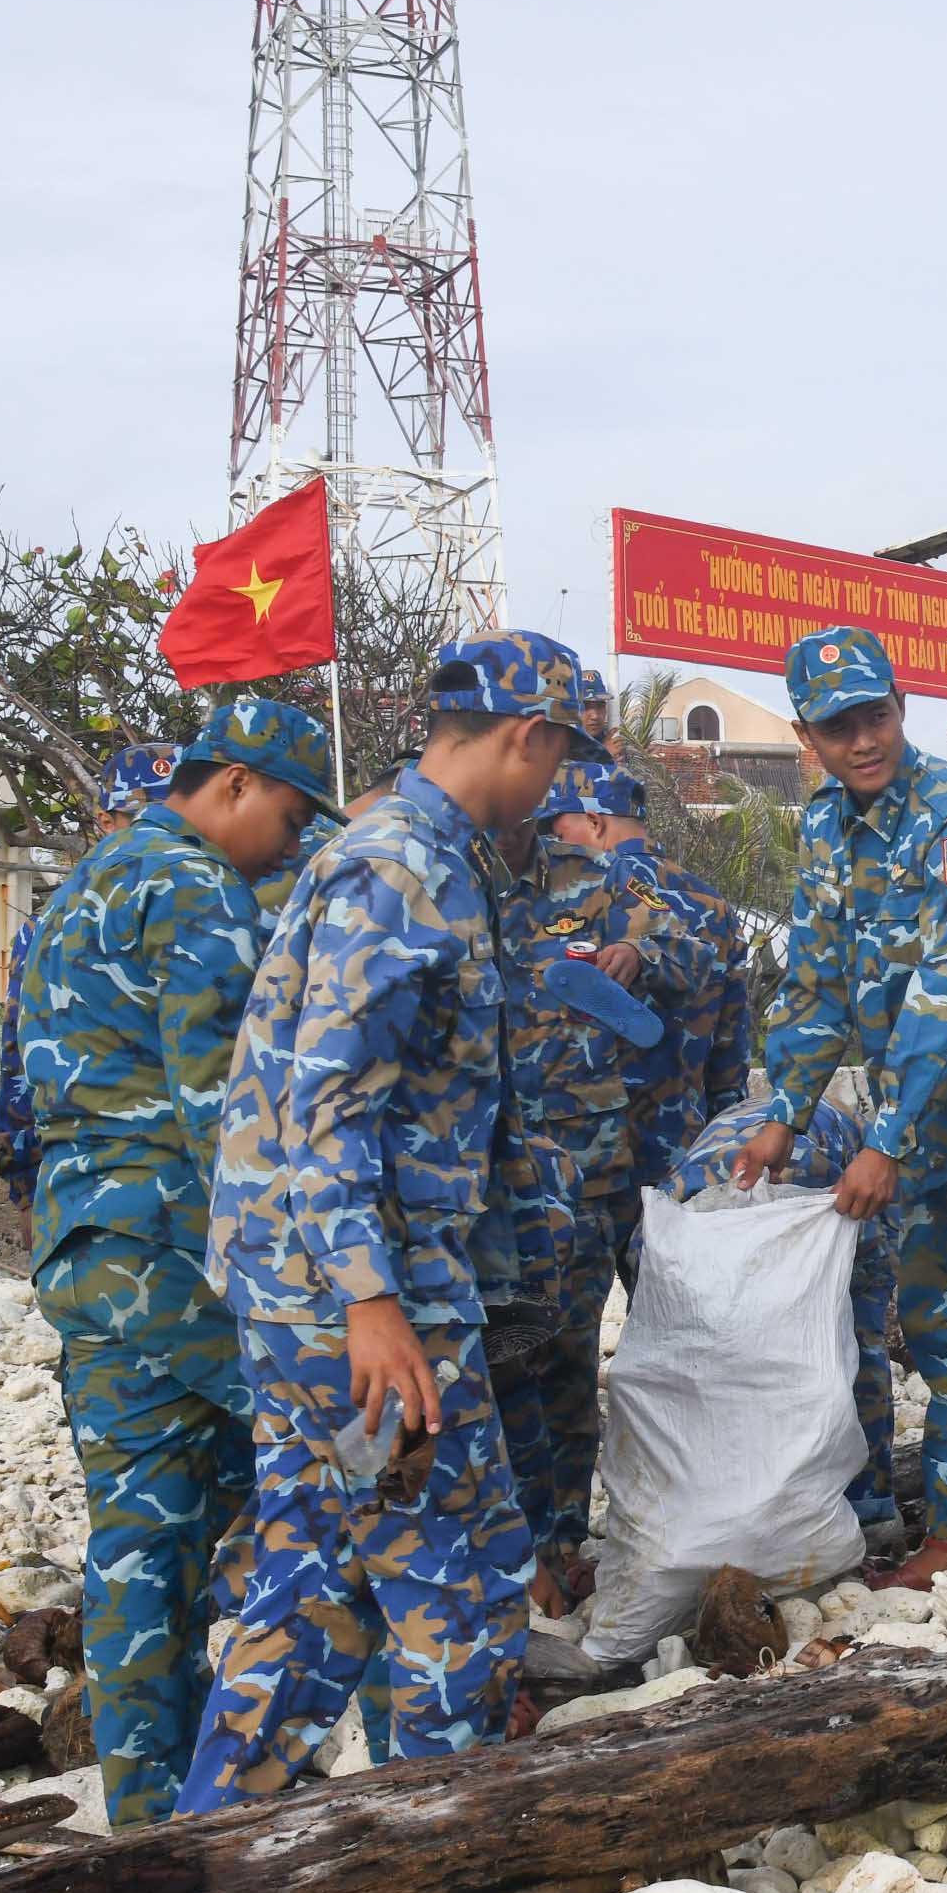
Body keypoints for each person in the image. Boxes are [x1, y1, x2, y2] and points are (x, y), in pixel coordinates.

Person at [178, 635, 600, 1810]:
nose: (559, 780)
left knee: (315, 1571)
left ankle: (208, 1839)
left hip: (331, 1282)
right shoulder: (401, 866)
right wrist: (370, 1302)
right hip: (363, 1298)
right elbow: (330, 1101)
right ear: (530, 737)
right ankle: (440, 1848)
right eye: (559, 751)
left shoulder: (431, 857)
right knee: (462, 1574)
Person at [708, 627, 947, 1626]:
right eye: (839, 725)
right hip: (920, 1108)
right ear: (806, 734)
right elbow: (819, 979)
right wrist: (786, 1109)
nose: (863, 739)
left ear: (899, 707)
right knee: (934, 1312)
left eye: (875, 715)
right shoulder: (827, 824)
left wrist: (885, 1137)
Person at [19, 697, 336, 1823]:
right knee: (326, 1466)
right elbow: (226, 1107)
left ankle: (147, 1803)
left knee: (140, 1526)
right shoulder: (198, 888)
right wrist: (302, 1273)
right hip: (179, 1248)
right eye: (292, 815)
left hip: (85, 1242)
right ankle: (280, 1762)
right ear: (237, 784)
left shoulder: (82, 886)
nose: (293, 844)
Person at [491, 771, 666, 1594]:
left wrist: (637, 952)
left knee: (566, 1346)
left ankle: (559, 1537)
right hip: (475, 1160)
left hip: (584, 1153)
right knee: (488, 1352)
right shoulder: (439, 872)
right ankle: (493, 1540)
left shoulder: (587, 878)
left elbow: (655, 934)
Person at [678, 1093, 905, 1525]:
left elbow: (867, 1269)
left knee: (851, 1344)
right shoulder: (668, 1233)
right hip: (747, 1144)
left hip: (840, 1172)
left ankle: (867, 1506)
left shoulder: (808, 1189)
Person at [546, 765, 748, 1218]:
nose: (553, 847)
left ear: (595, 823)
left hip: (589, 1153)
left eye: (558, 831)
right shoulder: (713, 905)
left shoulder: (579, 896)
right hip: (684, 1145)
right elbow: (731, 1046)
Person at [0, 743, 178, 1210]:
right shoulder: (48, 929)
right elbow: (18, 1066)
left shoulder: (198, 913)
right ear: (106, 822)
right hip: (92, 1177)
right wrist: (24, 1190)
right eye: (143, 819)